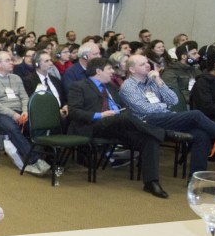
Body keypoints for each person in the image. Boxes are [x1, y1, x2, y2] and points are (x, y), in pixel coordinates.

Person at [120, 54, 215, 174]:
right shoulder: (128, 86)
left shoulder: (152, 81)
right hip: (145, 121)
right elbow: (144, 109)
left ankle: (195, 177)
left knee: (202, 134)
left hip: (164, 117)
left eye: (147, 62)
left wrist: (159, 81)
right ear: (132, 69)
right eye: (143, 64)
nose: (147, 65)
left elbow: (173, 100)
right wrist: (163, 106)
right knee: (195, 114)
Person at [67, 58, 168, 198]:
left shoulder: (110, 87)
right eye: (109, 69)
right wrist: (100, 115)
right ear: (98, 71)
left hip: (117, 126)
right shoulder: (79, 86)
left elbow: (124, 108)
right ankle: (165, 134)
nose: (113, 72)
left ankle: (151, 183)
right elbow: (74, 111)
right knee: (124, 117)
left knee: (149, 138)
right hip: (93, 125)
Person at [0, 51, 50, 176]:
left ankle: (38, 158)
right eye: (8, 60)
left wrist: (24, 111)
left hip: (19, 112)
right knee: (12, 127)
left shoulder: (16, 78)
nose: (12, 62)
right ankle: (34, 160)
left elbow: (24, 97)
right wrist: (13, 114)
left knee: (40, 125)